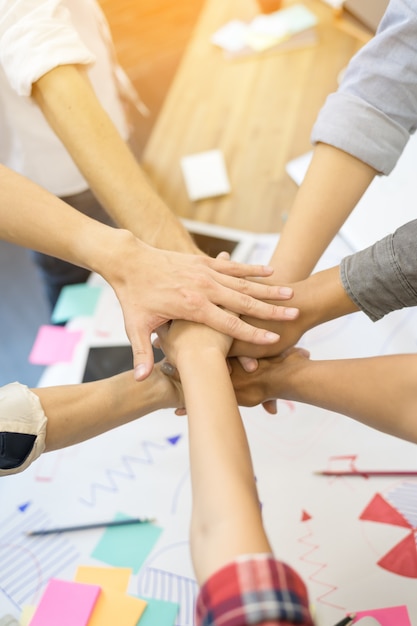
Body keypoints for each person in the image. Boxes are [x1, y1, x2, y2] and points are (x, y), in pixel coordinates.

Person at [0, 164, 299, 381]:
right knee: (69, 314)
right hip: (35, 185)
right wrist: (124, 258)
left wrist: (191, 273)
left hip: (101, 163)